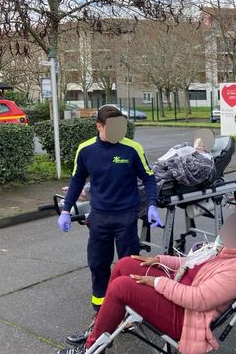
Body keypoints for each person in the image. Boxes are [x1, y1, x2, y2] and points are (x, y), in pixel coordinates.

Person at [55, 210, 236, 354]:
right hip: (178, 291)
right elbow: (189, 263)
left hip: (185, 318)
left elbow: (198, 299)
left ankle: (91, 348)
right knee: (125, 263)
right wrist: (159, 260)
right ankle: (99, 329)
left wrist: (157, 282)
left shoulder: (235, 270)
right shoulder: (221, 252)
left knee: (121, 287)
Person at [58, 105, 162, 344]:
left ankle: (132, 313)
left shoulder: (132, 148)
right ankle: (101, 314)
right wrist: (65, 209)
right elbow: (76, 181)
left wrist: (153, 204)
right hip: (99, 217)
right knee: (98, 264)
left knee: (129, 266)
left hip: (126, 216)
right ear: (99, 126)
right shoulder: (85, 150)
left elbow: (148, 177)